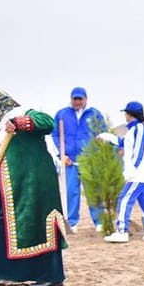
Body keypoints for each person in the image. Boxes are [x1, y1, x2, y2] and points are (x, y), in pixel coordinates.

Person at [0, 87, 68, 286]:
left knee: (39, 228)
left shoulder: (24, 114)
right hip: (7, 189)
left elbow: (48, 122)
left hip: (33, 187)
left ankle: (51, 277)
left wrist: (19, 123)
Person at [99, 101, 144, 243]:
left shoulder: (139, 129)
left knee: (124, 199)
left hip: (138, 174)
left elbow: (137, 151)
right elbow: (124, 143)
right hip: (140, 174)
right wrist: (107, 136)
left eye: (126, 113)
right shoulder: (134, 130)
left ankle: (122, 231)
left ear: (130, 114)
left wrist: (131, 171)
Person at [53, 87, 108, 233]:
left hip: (89, 161)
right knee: (71, 192)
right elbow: (55, 136)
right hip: (69, 161)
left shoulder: (95, 114)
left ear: (86, 99)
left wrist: (98, 151)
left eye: (80, 99)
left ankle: (99, 221)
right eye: (74, 99)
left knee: (93, 192)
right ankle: (72, 222)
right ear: (70, 99)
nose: (77, 102)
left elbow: (103, 134)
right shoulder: (62, 114)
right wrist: (61, 154)